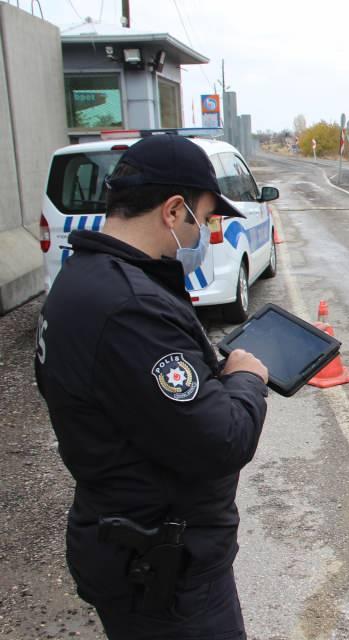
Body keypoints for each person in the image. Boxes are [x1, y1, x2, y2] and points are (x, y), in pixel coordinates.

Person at [34, 134, 269, 639]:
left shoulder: (79, 280)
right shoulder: (130, 307)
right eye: (204, 220)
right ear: (173, 210)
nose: (205, 234)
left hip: (125, 540)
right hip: (164, 570)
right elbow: (221, 440)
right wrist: (247, 377)